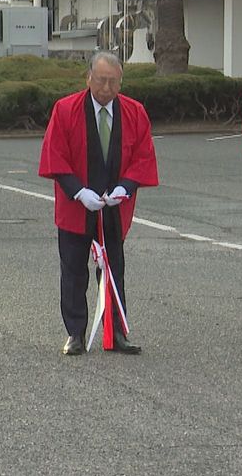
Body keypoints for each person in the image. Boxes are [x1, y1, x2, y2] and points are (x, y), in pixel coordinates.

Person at [38, 51, 159, 356]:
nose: (106, 88)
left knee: (114, 268)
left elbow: (143, 156)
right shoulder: (65, 110)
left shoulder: (134, 112)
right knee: (73, 269)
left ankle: (116, 331)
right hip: (76, 205)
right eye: (101, 80)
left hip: (113, 207)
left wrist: (125, 188)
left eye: (113, 82)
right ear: (88, 78)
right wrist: (79, 192)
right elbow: (56, 156)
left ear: (121, 82)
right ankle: (75, 333)